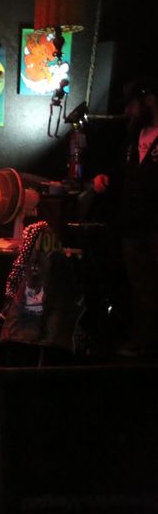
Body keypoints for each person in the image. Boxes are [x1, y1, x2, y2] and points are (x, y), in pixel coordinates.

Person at [94, 77, 158, 359]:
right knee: (138, 286)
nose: (128, 111)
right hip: (132, 225)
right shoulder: (134, 138)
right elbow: (123, 172)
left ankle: (147, 344)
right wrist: (105, 177)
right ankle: (140, 340)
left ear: (150, 100)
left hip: (153, 225)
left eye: (133, 104)